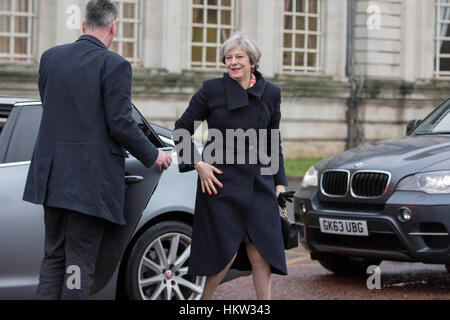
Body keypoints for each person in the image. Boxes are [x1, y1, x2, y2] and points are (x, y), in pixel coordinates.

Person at [22, 0, 172, 300]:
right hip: (87, 183)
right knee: (79, 262)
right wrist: (154, 154)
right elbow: (120, 123)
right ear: (113, 27)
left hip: (51, 178)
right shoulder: (114, 64)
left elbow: (54, 108)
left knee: (53, 256)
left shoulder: (50, 58)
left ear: (83, 24)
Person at [174, 32, 288, 300]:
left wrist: (280, 181)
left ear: (252, 61)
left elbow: (273, 141)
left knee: (261, 253)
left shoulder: (271, 93)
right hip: (220, 183)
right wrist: (198, 163)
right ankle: (202, 302)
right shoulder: (211, 90)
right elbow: (181, 130)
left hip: (260, 184)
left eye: (239, 57)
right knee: (224, 253)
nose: (233, 62)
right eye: (228, 57)